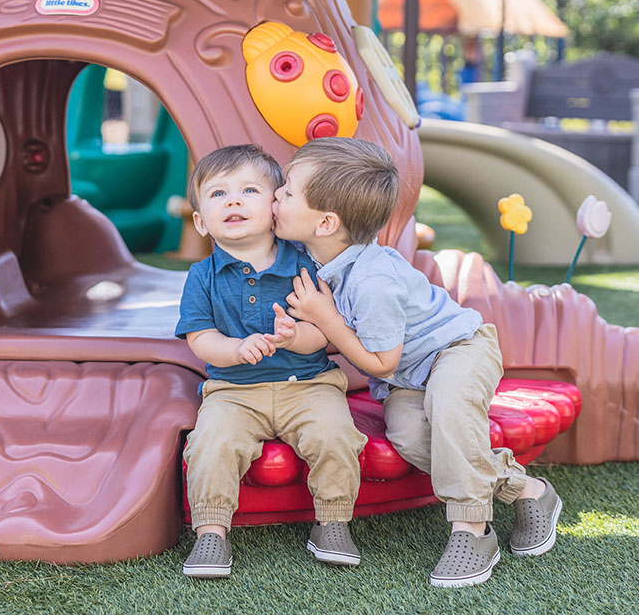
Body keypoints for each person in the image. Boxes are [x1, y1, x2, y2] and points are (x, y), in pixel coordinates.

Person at [272, 137, 562, 588]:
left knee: (449, 407)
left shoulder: (372, 280)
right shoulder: (311, 257)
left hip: (457, 349)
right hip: (410, 378)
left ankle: (472, 529)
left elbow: (381, 363)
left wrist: (326, 320)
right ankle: (527, 490)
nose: (275, 196)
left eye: (286, 191)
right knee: (409, 435)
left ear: (326, 222)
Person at [175, 144, 368, 579]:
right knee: (212, 443)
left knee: (335, 433)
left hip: (309, 384)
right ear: (202, 221)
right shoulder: (201, 276)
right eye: (219, 194)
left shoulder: (305, 265)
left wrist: (297, 336)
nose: (235, 201)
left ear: (275, 208)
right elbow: (200, 338)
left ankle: (333, 523)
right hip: (234, 392)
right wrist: (235, 349)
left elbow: (327, 332)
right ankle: (211, 533)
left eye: (248, 190)